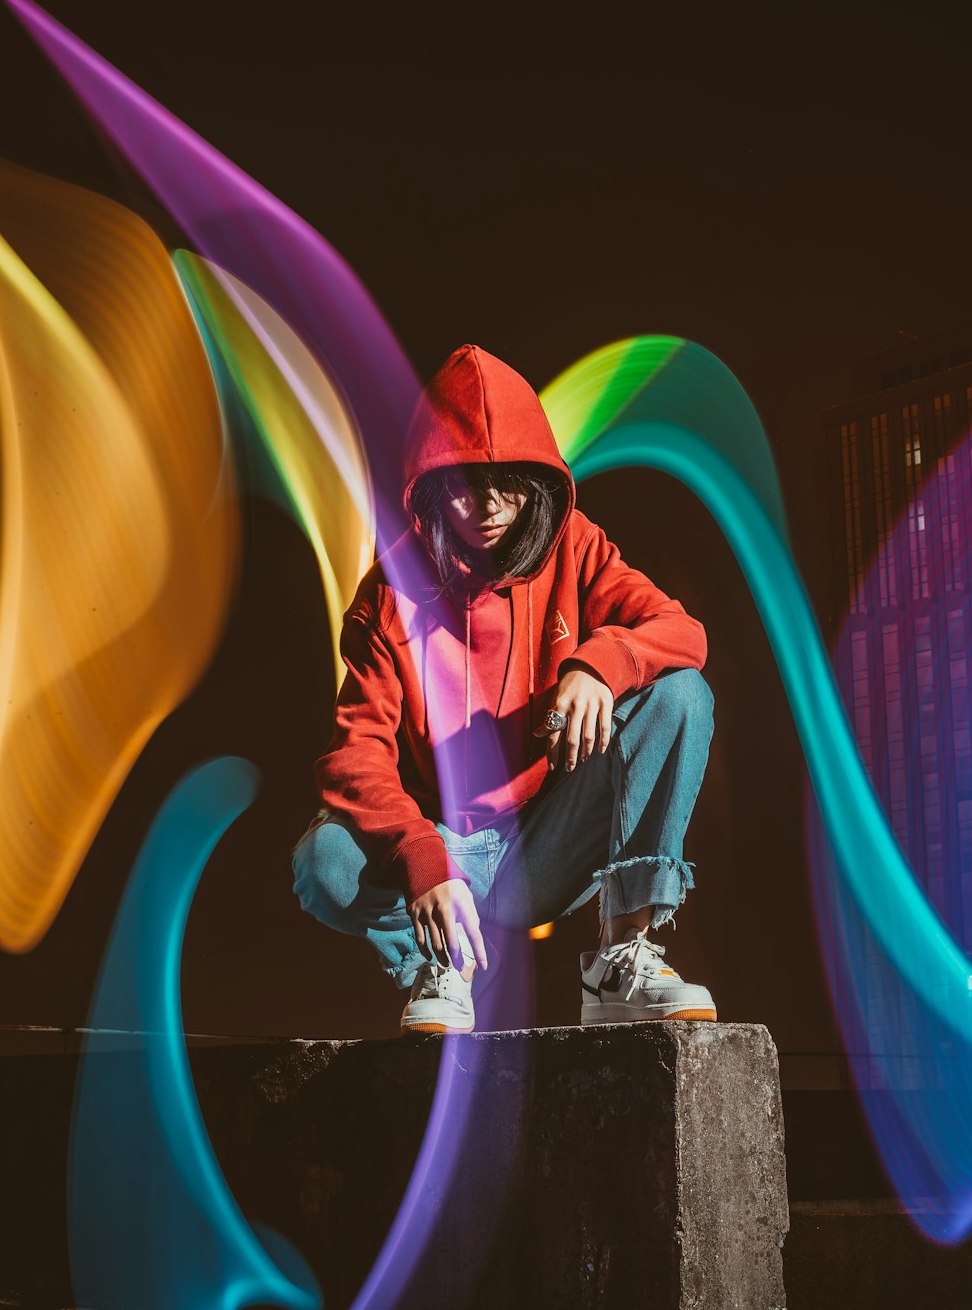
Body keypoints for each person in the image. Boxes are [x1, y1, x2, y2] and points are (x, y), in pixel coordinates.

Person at [293, 344, 715, 1034]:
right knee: (324, 859)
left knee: (681, 695)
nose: (488, 506)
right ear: (430, 488)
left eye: (509, 482)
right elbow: (356, 755)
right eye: (463, 483)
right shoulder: (388, 595)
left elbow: (681, 630)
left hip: (538, 849)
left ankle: (620, 958)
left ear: (538, 481)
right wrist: (423, 860)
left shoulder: (574, 547)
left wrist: (599, 663)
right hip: (441, 849)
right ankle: (438, 964)